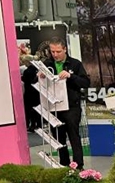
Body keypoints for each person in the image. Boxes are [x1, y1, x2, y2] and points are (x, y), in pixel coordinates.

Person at [28, 39, 90, 168]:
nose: (55, 54)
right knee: (58, 138)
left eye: (58, 51)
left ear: (65, 49)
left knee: (74, 136)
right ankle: (64, 164)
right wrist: (39, 76)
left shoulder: (75, 64)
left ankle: (78, 166)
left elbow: (85, 83)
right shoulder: (47, 63)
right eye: (52, 51)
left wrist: (70, 76)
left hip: (72, 107)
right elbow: (31, 81)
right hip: (54, 107)